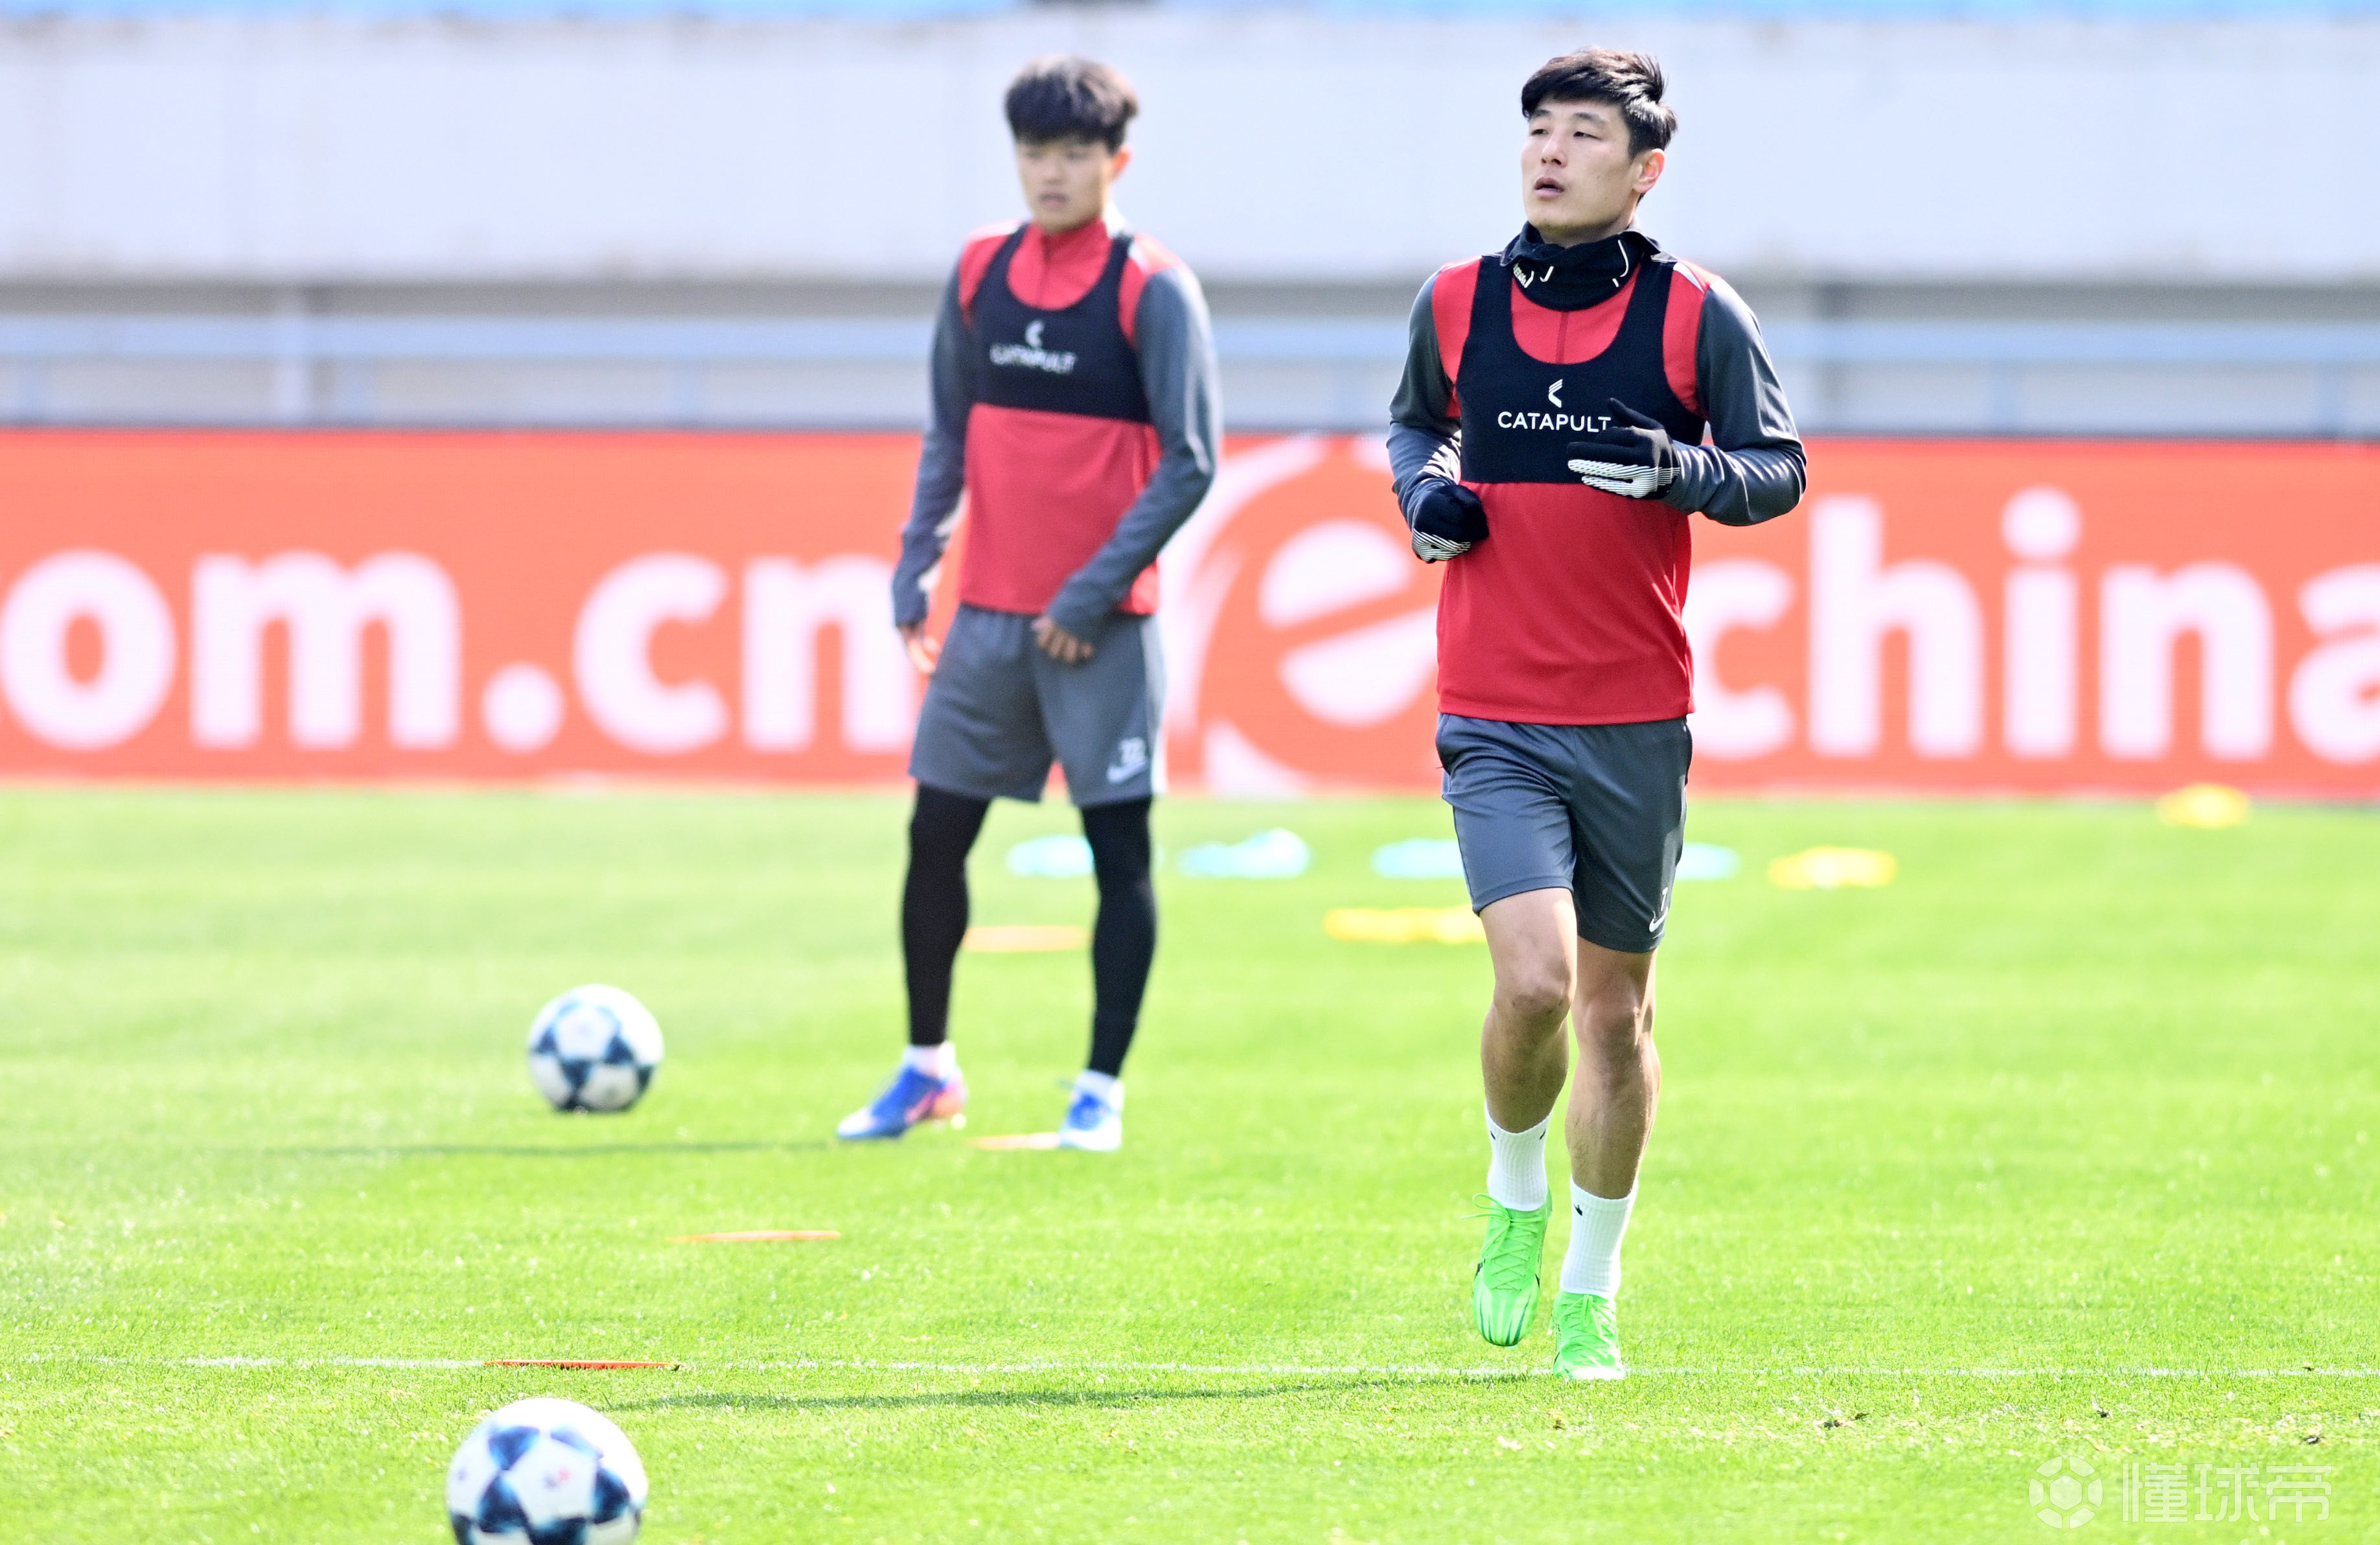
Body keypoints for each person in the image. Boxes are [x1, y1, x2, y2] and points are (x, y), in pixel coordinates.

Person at [1387, 48, 1805, 1378]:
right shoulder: (1456, 300)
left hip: (1634, 716)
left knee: (1616, 1019)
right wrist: (1423, 494)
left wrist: (1681, 468)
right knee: (1535, 984)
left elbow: (1778, 470)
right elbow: (1414, 426)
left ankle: (1592, 1285)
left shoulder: (1696, 313)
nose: (1549, 153)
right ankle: (1514, 1197)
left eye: (1581, 135)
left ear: (1644, 170)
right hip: (1494, 708)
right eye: (1537, 131)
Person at [837, 55, 1220, 1153]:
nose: (1050, 173)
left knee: (1119, 856)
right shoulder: (979, 271)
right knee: (933, 838)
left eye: (1073, 154)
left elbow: (1191, 461)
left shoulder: (1152, 288)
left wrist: (1090, 594)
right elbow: (948, 432)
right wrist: (917, 559)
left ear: (1116, 161)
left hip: (1102, 629)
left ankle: (1098, 1091)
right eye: (1033, 152)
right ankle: (927, 1071)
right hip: (988, 621)